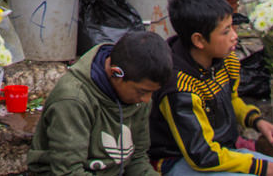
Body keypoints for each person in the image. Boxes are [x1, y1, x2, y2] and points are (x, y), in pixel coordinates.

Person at [150, 0, 273, 176]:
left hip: (222, 152)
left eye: (232, 26)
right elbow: (203, 156)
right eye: (225, 31)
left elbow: (232, 99)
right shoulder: (179, 88)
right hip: (181, 161)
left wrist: (256, 121)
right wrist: (266, 168)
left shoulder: (227, 60)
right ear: (199, 40)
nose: (234, 36)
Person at [27, 31, 173, 175]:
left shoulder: (139, 97)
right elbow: (69, 172)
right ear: (116, 73)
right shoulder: (73, 100)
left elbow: (137, 159)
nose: (147, 100)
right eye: (142, 92)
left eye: (152, 92)